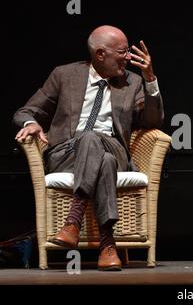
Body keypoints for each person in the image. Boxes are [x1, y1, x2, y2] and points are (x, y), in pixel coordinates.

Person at [13, 25, 164, 271]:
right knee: (101, 159)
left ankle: (73, 221)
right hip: (67, 153)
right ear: (100, 54)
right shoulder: (64, 75)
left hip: (114, 147)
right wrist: (31, 123)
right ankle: (107, 244)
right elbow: (26, 111)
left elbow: (152, 122)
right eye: (123, 52)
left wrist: (150, 79)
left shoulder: (133, 81)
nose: (128, 57)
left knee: (92, 139)